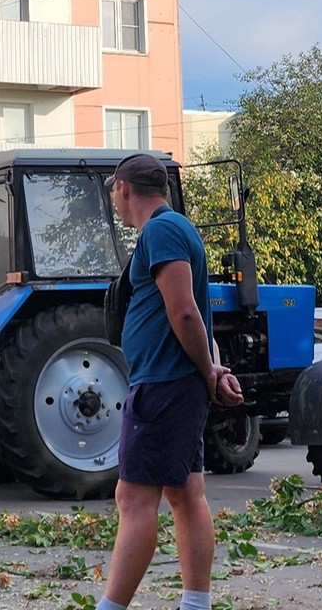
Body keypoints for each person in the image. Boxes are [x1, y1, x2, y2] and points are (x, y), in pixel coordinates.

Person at [97, 153, 244, 610]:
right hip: (173, 381)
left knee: (133, 498)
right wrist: (213, 369)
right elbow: (197, 310)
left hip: (163, 384)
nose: (114, 202)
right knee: (184, 494)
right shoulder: (176, 228)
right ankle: (195, 604)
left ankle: (111, 607)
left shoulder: (161, 230)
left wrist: (207, 370)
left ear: (124, 187)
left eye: (112, 191)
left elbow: (183, 310)